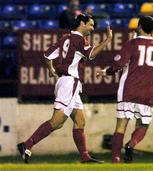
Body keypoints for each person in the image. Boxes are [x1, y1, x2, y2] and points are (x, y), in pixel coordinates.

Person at [17, 14, 112, 164]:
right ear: (82, 23)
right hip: (70, 83)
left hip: (64, 82)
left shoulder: (65, 38)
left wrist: (50, 70)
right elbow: (91, 55)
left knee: (79, 121)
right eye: (91, 25)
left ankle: (85, 157)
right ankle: (27, 145)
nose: (92, 28)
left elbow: (47, 55)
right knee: (57, 122)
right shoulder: (79, 39)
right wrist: (108, 40)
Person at [97, 16, 153, 163]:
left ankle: (115, 158)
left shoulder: (132, 43)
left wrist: (106, 72)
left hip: (129, 89)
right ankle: (131, 145)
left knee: (121, 125)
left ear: (139, 27)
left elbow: (119, 64)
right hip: (148, 91)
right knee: (143, 124)